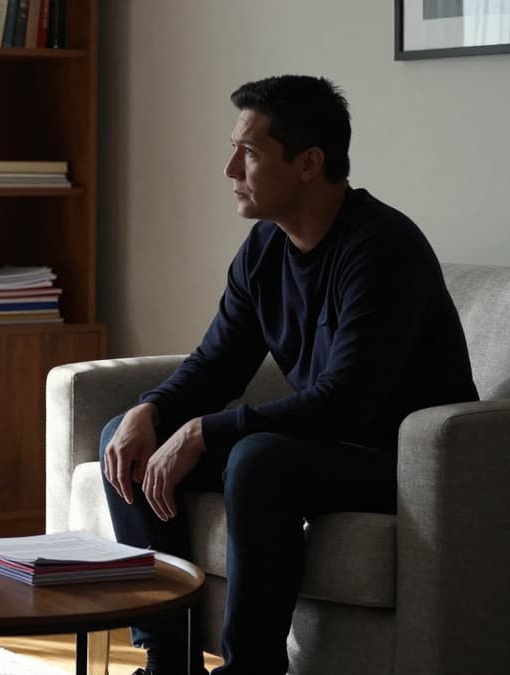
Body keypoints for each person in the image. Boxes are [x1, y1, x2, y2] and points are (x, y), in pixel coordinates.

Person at [100, 75, 477, 675]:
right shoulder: (263, 250)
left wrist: (202, 432)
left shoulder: (382, 250)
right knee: (125, 437)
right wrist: (150, 411)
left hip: (398, 461)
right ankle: (168, 660)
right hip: (321, 447)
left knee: (257, 459)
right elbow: (216, 363)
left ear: (308, 163)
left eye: (248, 153)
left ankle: (254, 668)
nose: (229, 170)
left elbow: (344, 402)